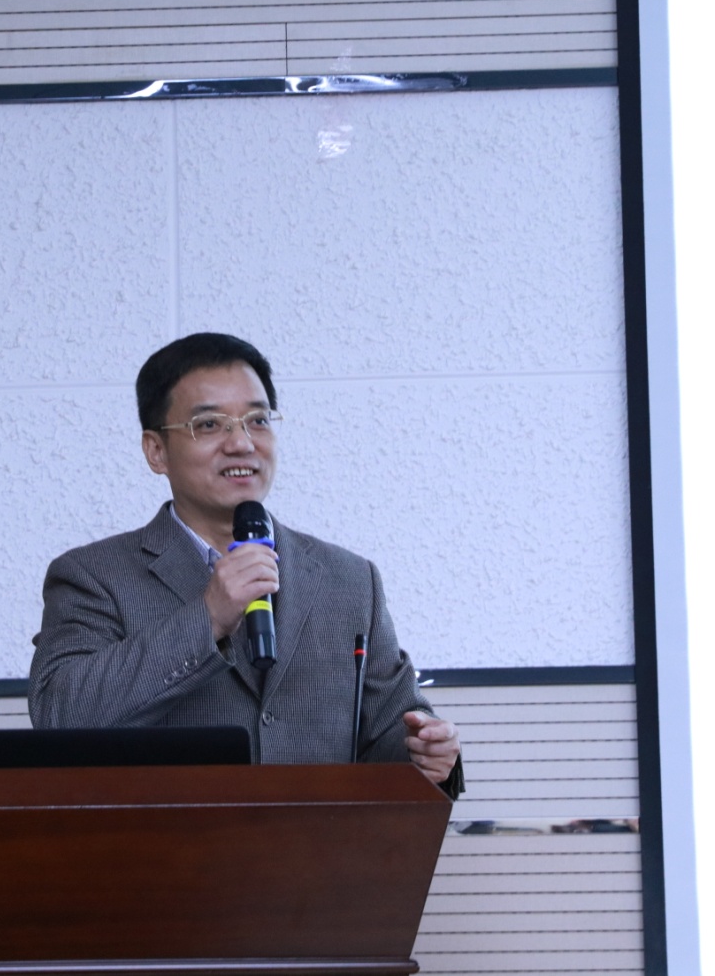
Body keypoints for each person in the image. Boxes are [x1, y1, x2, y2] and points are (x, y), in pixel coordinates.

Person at [28, 333, 462, 794]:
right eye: (209, 425)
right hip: (170, 840)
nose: (241, 443)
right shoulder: (94, 577)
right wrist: (208, 617)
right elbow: (60, 714)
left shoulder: (350, 581)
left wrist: (427, 753)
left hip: (315, 840)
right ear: (156, 451)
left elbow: (390, 731)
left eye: (257, 420)